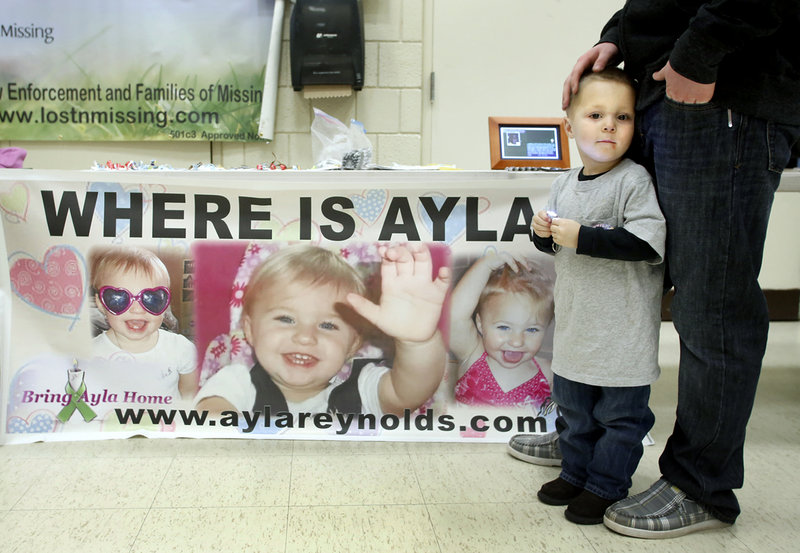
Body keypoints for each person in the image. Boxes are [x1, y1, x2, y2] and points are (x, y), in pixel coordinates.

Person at [511, 0, 800, 538]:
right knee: (627, 287)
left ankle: (700, 483)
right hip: (661, 86)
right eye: (594, 117)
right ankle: (588, 443)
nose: (605, 126)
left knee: (711, 301)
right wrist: (619, 35)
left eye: (611, 119)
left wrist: (700, 51)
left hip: (720, 87)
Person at [528, 67, 666, 525]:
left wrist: (580, 236)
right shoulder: (565, 183)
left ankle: (606, 485)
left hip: (621, 335)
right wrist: (542, 233)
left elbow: (646, 243)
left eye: (622, 117)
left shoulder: (633, 181)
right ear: (569, 126)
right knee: (574, 413)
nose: (609, 125)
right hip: (575, 330)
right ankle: (575, 471)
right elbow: (555, 245)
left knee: (621, 421)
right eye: (595, 114)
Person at [194, 243, 450, 418]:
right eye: (285, 318)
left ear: (353, 344)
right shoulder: (238, 381)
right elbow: (211, 412)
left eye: (328, 325)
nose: (306, 337)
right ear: (249, 330)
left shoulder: (362, 384)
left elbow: (410, 393)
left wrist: (416, 341)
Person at [449, 250, 553, 410]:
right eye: (504, 327)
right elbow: (454, 318)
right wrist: (485, 265)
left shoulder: (548, 373)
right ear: (480, 324)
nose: (517, 342)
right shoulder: (472, 355)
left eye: (532, 330)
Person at [91, 246, 197, 401]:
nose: (137, 310)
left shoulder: (180, 349)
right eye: (119, 298)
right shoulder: (91, 355)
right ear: (101, 304)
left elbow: (189, 394)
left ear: (166, 303)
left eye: (152, 299)